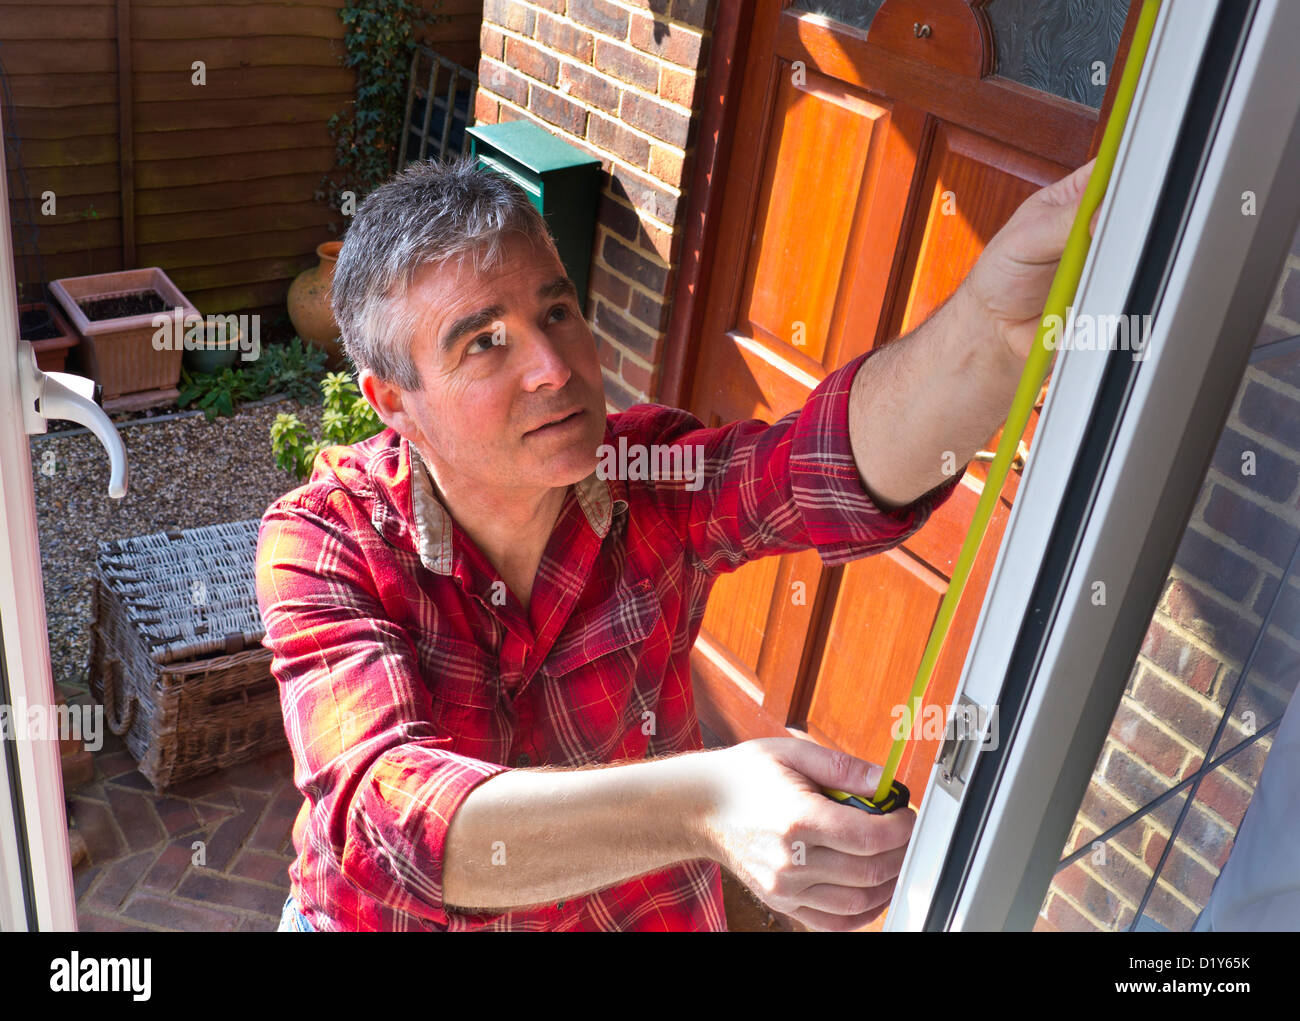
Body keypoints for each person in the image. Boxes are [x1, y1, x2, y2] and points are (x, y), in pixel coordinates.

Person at [256, 153, 1097, 932]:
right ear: (393, 402)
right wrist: (703, 806)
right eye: (484, 341)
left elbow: (819, 466)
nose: (553, 364)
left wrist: (992, 327)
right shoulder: (327, 539)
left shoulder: (647, 473)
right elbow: (387, 818)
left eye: (557, 310)